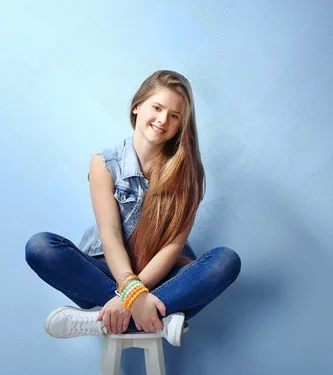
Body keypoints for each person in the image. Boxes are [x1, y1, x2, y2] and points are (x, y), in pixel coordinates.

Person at [25, 70, 241, 346]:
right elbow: (111, 235)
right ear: (137, 106)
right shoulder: (104, 162)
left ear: (180, 125)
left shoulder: (189, 174)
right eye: (157, 107)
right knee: (40, 247)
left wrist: (132, 297)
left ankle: (103, 319)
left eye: (174, 116)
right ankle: (159, 320)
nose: (163, 120)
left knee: (225, 260)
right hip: (107, 274)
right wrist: (130, 292)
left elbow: (171, 248)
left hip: (160, 279)